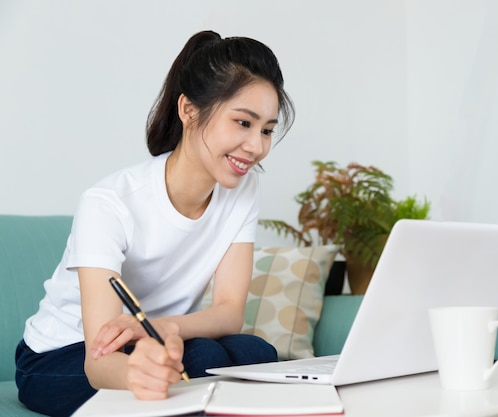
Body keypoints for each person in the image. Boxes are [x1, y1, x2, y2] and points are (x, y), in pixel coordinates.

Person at [15, 30, 295, 417]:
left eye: (266, 129)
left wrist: (163, 328)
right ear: (189, 110)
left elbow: (230, 312)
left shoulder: (242, 190)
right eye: (243, 123)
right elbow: (97, 363)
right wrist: (140, 373)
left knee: (255, 352)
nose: (256, 146)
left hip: (158, 336)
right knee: (206, 360)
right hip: (60, 357)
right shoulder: (109, 203)